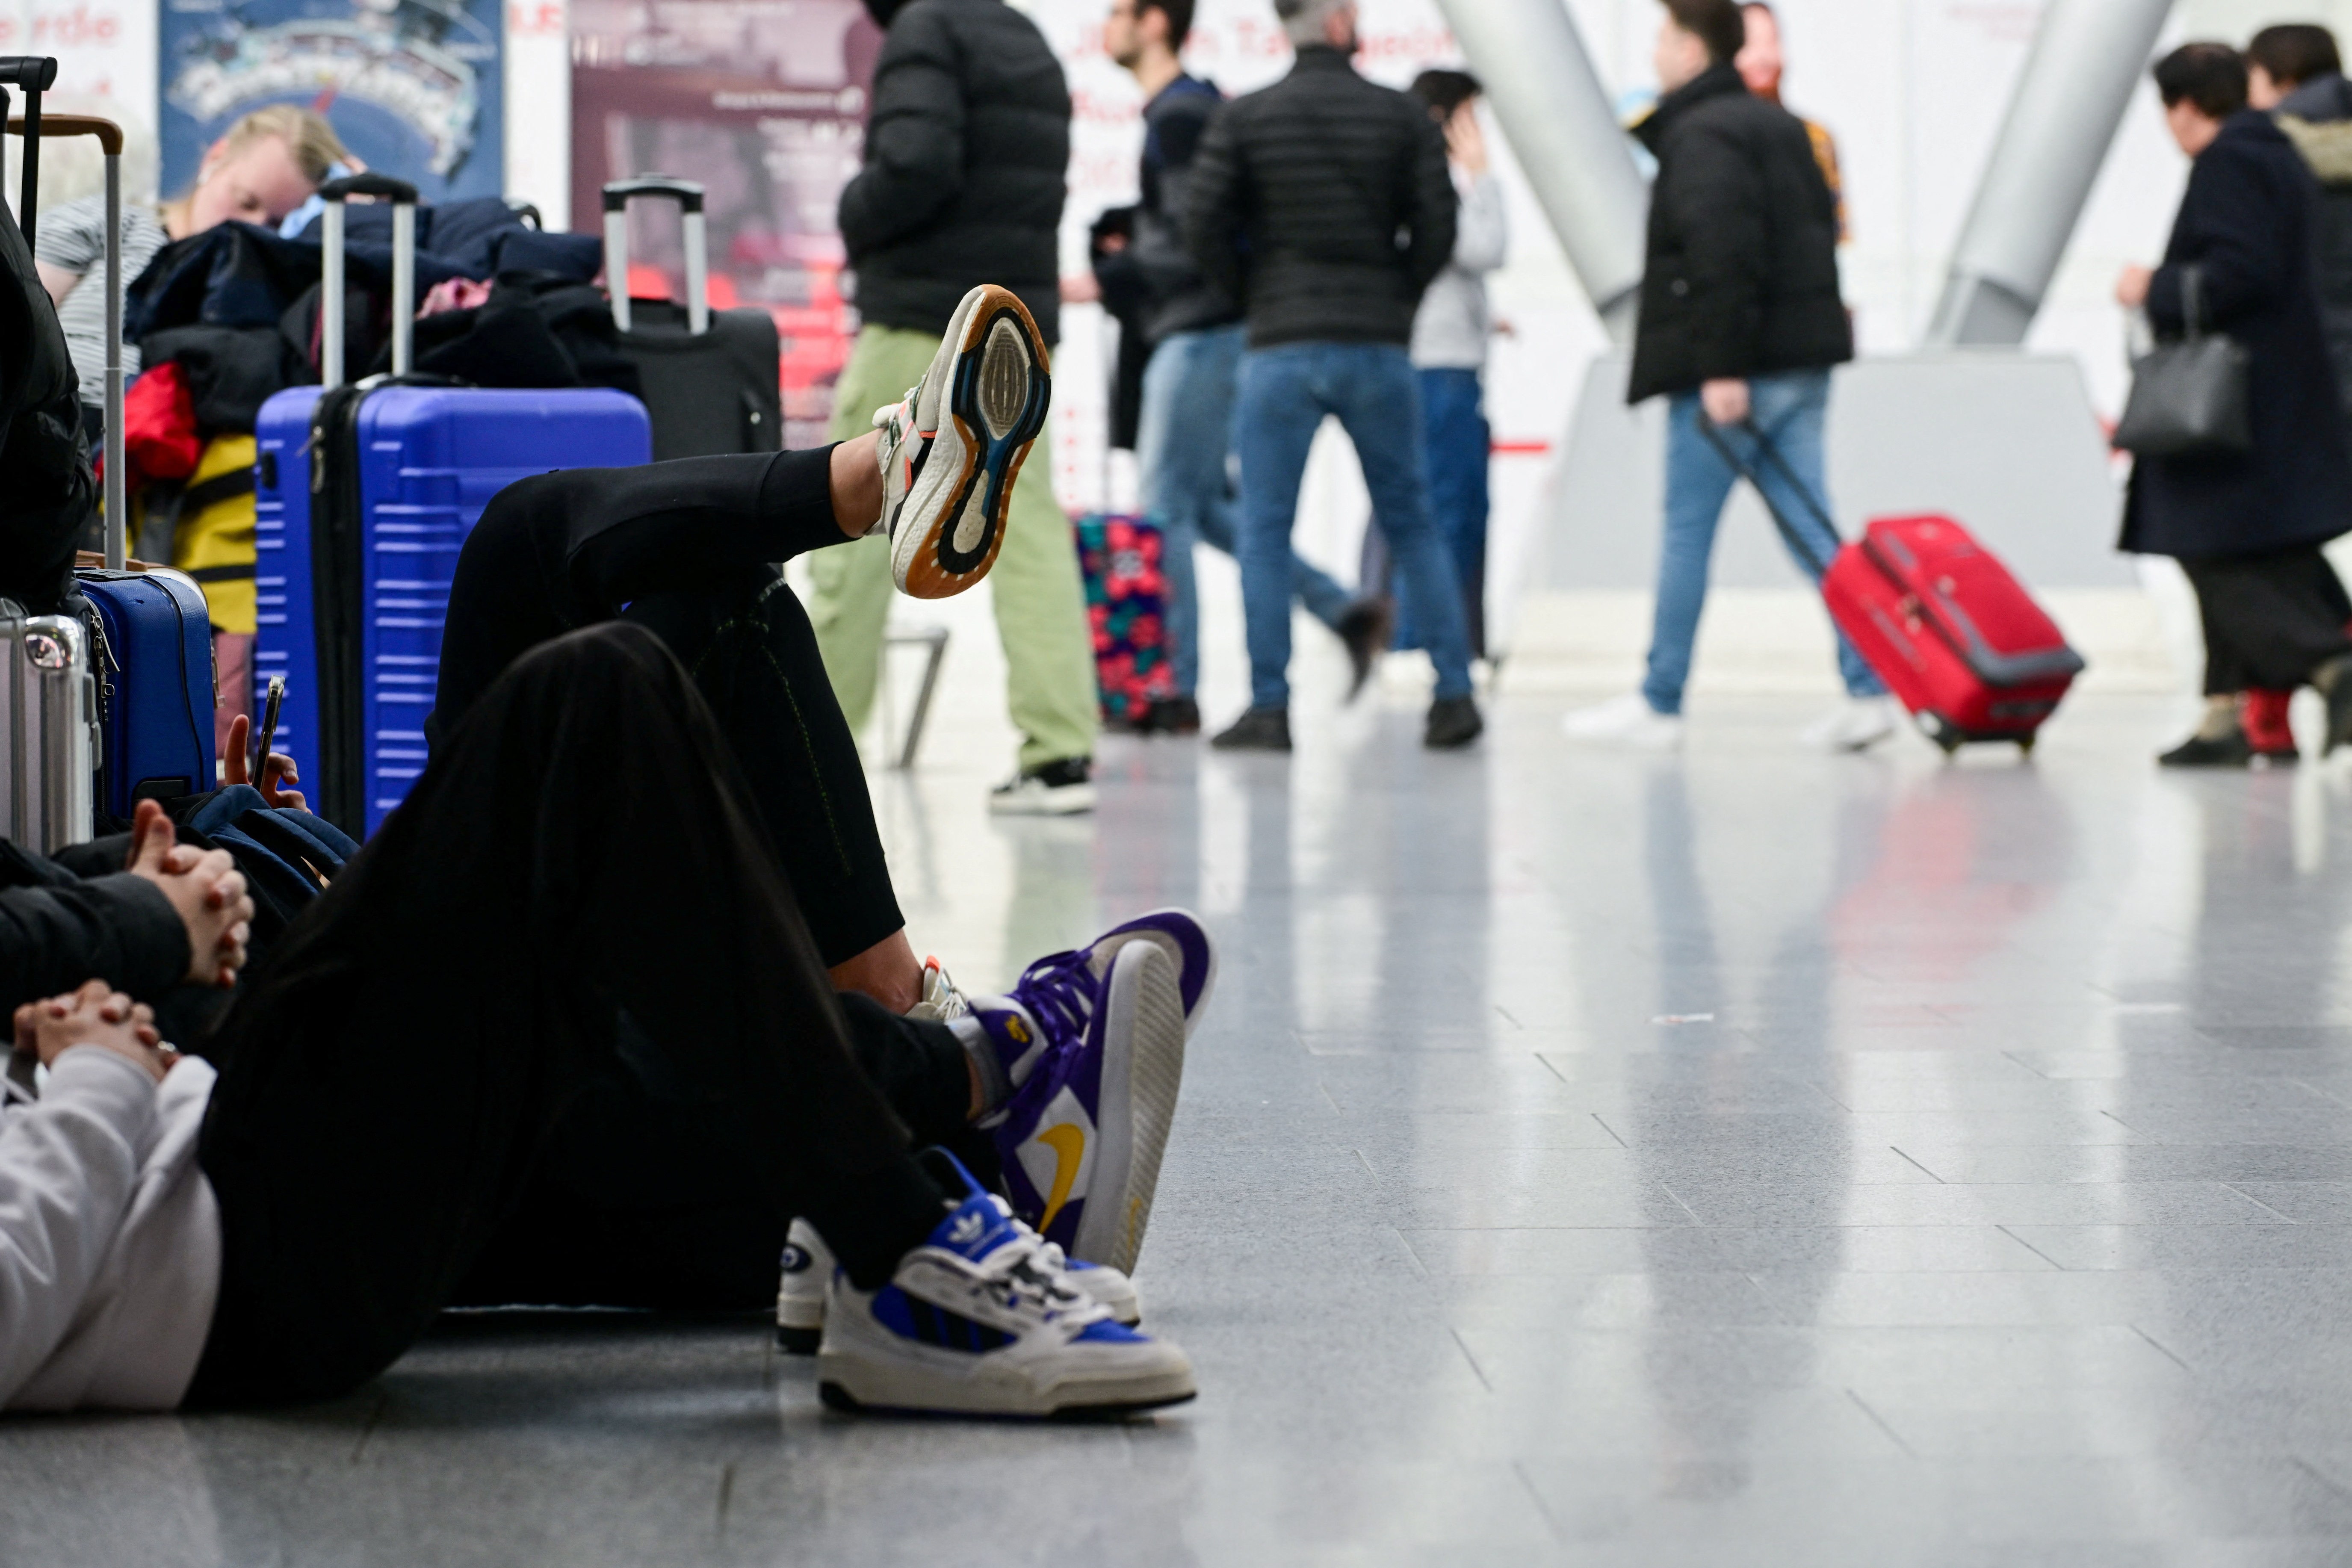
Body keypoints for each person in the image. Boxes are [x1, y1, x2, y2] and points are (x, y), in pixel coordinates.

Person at [0, 626, 1200, 1419]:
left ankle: (912, 1169)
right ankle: (921, 1202)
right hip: (221, 1241)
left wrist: (130, 889)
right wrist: (104, 1068)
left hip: (195, 1157)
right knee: (591, 698)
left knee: (587, 994)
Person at [1560, 0, 1886, 753]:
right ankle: (1869, 688)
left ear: (1690, 48)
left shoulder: (1703, 134)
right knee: (1814, 532)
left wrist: (1723, 367)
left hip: (1738, 376)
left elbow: (1720, 254)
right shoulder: (1784, 128)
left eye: (1663, 38)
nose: (1654, 51)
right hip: (1801, 363)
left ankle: (1661, 700)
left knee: (1686, 532)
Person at [807, 0, 1101, 815]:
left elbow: (915, 163)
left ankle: (810, 755)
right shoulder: (1025, 39)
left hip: (923, 321)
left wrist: (853, 217)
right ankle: (1059, 753)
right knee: (1031, 527)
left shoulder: (926, 30)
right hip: (1019, 321)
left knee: (848, 515)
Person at [1087, 0, 1391, 735]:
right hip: (1213, 334)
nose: (1107, 22)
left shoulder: (1180, 118)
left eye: (1121, 10)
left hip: (1198, 334)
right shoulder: (1187, 112)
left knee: (1166, 511)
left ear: (1156, 22)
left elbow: (1197, 232)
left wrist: (1114, 274)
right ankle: (1342, 608)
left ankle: (1176, 690)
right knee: (1212, 510)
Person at [1185, 0, 1481, 753]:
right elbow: (1439, 222)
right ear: (1344, 22)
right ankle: (1452, 695)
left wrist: (1253, 295)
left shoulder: (1248, 117)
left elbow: (1203, 222)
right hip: (1377, 344)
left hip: (1279, 343)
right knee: (1413, 519)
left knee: (1262, 528)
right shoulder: (1400, 117)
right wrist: (1397, 298)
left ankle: (1269, 706)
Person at [2119, 44, 2352, 765]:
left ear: (2186, 107)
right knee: (2258, 543)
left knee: (2205, 540)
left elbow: (2236, 273)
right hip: (2280, 389)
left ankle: (2328, 663)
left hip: (2233, 398)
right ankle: (2228, 715)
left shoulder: (2230, 160)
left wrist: (2150, 289)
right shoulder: (2277, 152)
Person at [34, 106, 351, 448]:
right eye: (245, 201)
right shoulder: (108, 222)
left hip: (168, 457)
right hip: (50, 428)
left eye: (277, 224)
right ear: (215, 159)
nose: (252, 227)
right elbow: (16, 328)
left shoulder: (269, 294)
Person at [1379, 68, 1506, 661]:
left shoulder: (1401, 177)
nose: (1477, 133)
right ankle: (1426, 644)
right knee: (1444, 510)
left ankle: (1427, 641)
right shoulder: (1424, 182)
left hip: (1437, 361)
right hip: (1440, 368)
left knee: (1433, 508)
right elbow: (1485, 247)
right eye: (1470, 118)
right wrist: (1483, 177)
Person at [1737, 3, 1846, 245]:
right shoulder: (1714, 139)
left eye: (1772, 42)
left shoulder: (1815, 137)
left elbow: (1838, 233)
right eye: (1751, 44)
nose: (1764, 57)